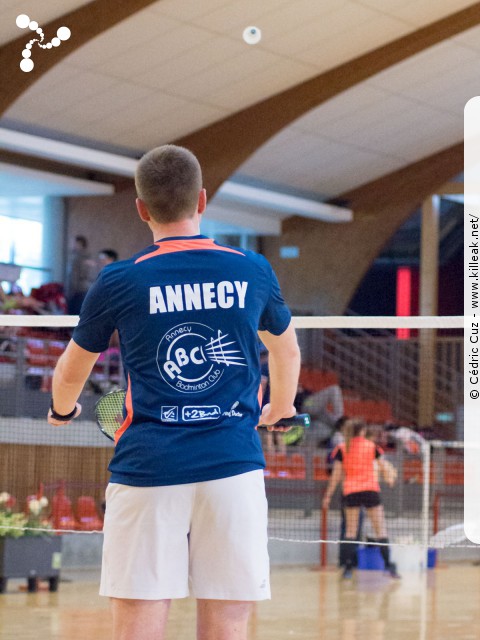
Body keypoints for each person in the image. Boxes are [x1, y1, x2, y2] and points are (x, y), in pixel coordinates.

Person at [47, 144, 301, 640]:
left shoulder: (120, 279)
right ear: (202, 200)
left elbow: (71, 370)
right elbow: (286, 353)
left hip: (148, 471)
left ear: (141, 209)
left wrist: (62, 410)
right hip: (233, 467)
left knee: (139, 627)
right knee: (227, 626)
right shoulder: (252, 269)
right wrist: (281, 409)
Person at [322, 418, 399, 579]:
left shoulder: (342, 448)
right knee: (381, 530)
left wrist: (328, 496)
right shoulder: (372, 447)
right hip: (371, 490)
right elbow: (383, 466)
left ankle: (348, 567)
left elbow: (335, 476)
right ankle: (389, 566)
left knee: (350, 531)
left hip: (351, 491)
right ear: (363, 431)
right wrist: (390, 479)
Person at [65, 235, 96, 314]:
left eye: (73, 243)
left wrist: (70, 292)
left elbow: (81, 276)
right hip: (78, 291)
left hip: (79, 291)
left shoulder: (82, 258)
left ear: (79, 244)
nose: (72, 245)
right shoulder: (77, 257)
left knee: (75, 317)